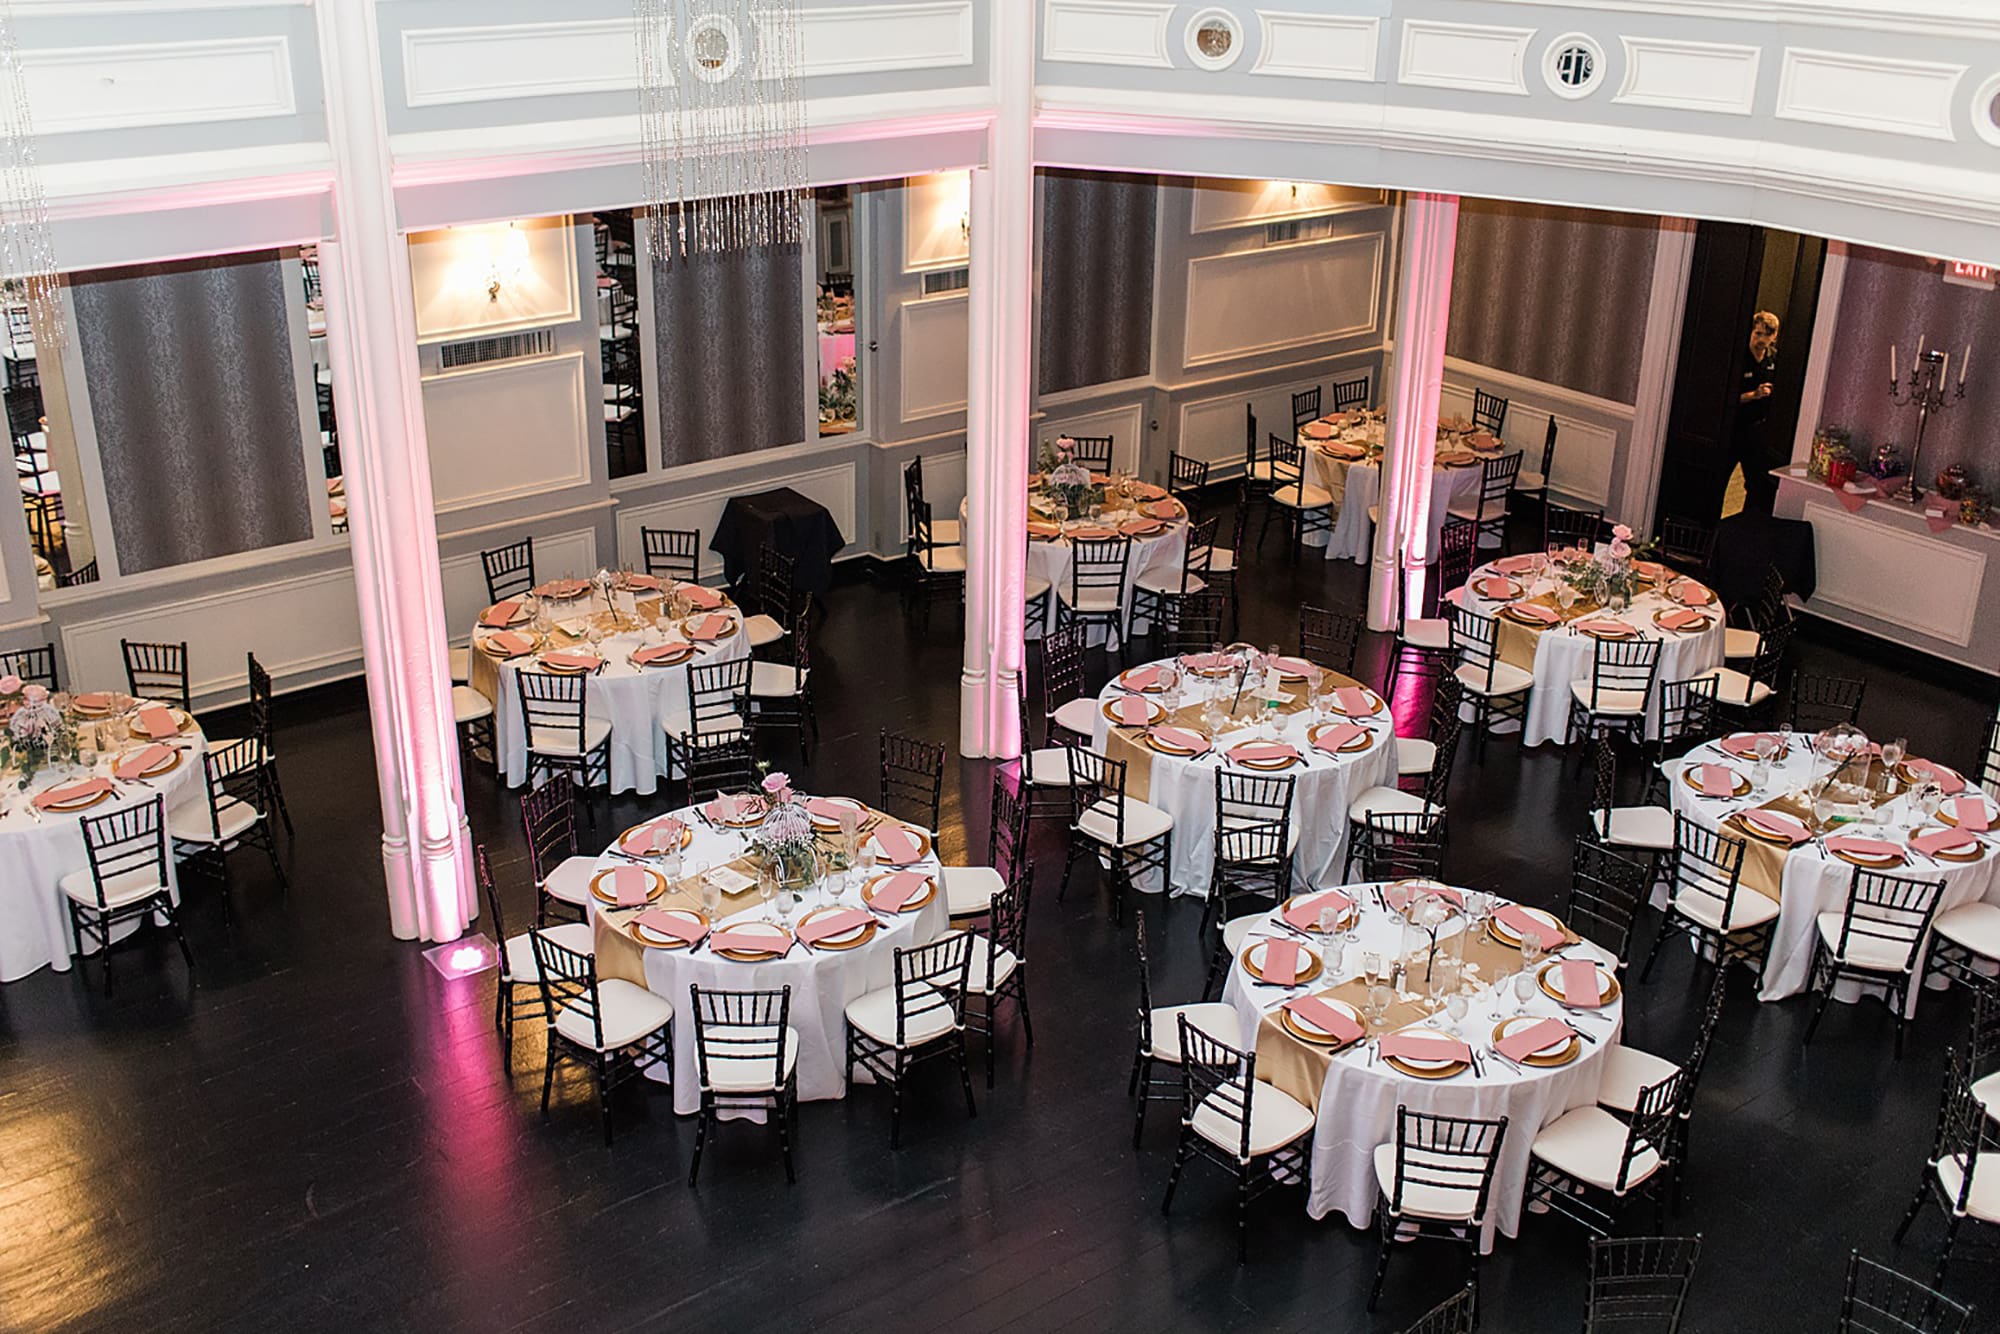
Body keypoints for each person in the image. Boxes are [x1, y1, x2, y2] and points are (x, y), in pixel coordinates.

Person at [1731, 311, 1782, 514]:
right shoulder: (1739, 357)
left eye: (1766, 335)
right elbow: (1725, 398)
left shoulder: (1774, 359)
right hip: (1734, 427)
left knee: (1756, 483)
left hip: (1757, 430)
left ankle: (1747, 521)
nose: (1761, 339)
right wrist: (1753, 395)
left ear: (1774, 337)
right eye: (1758, 333)